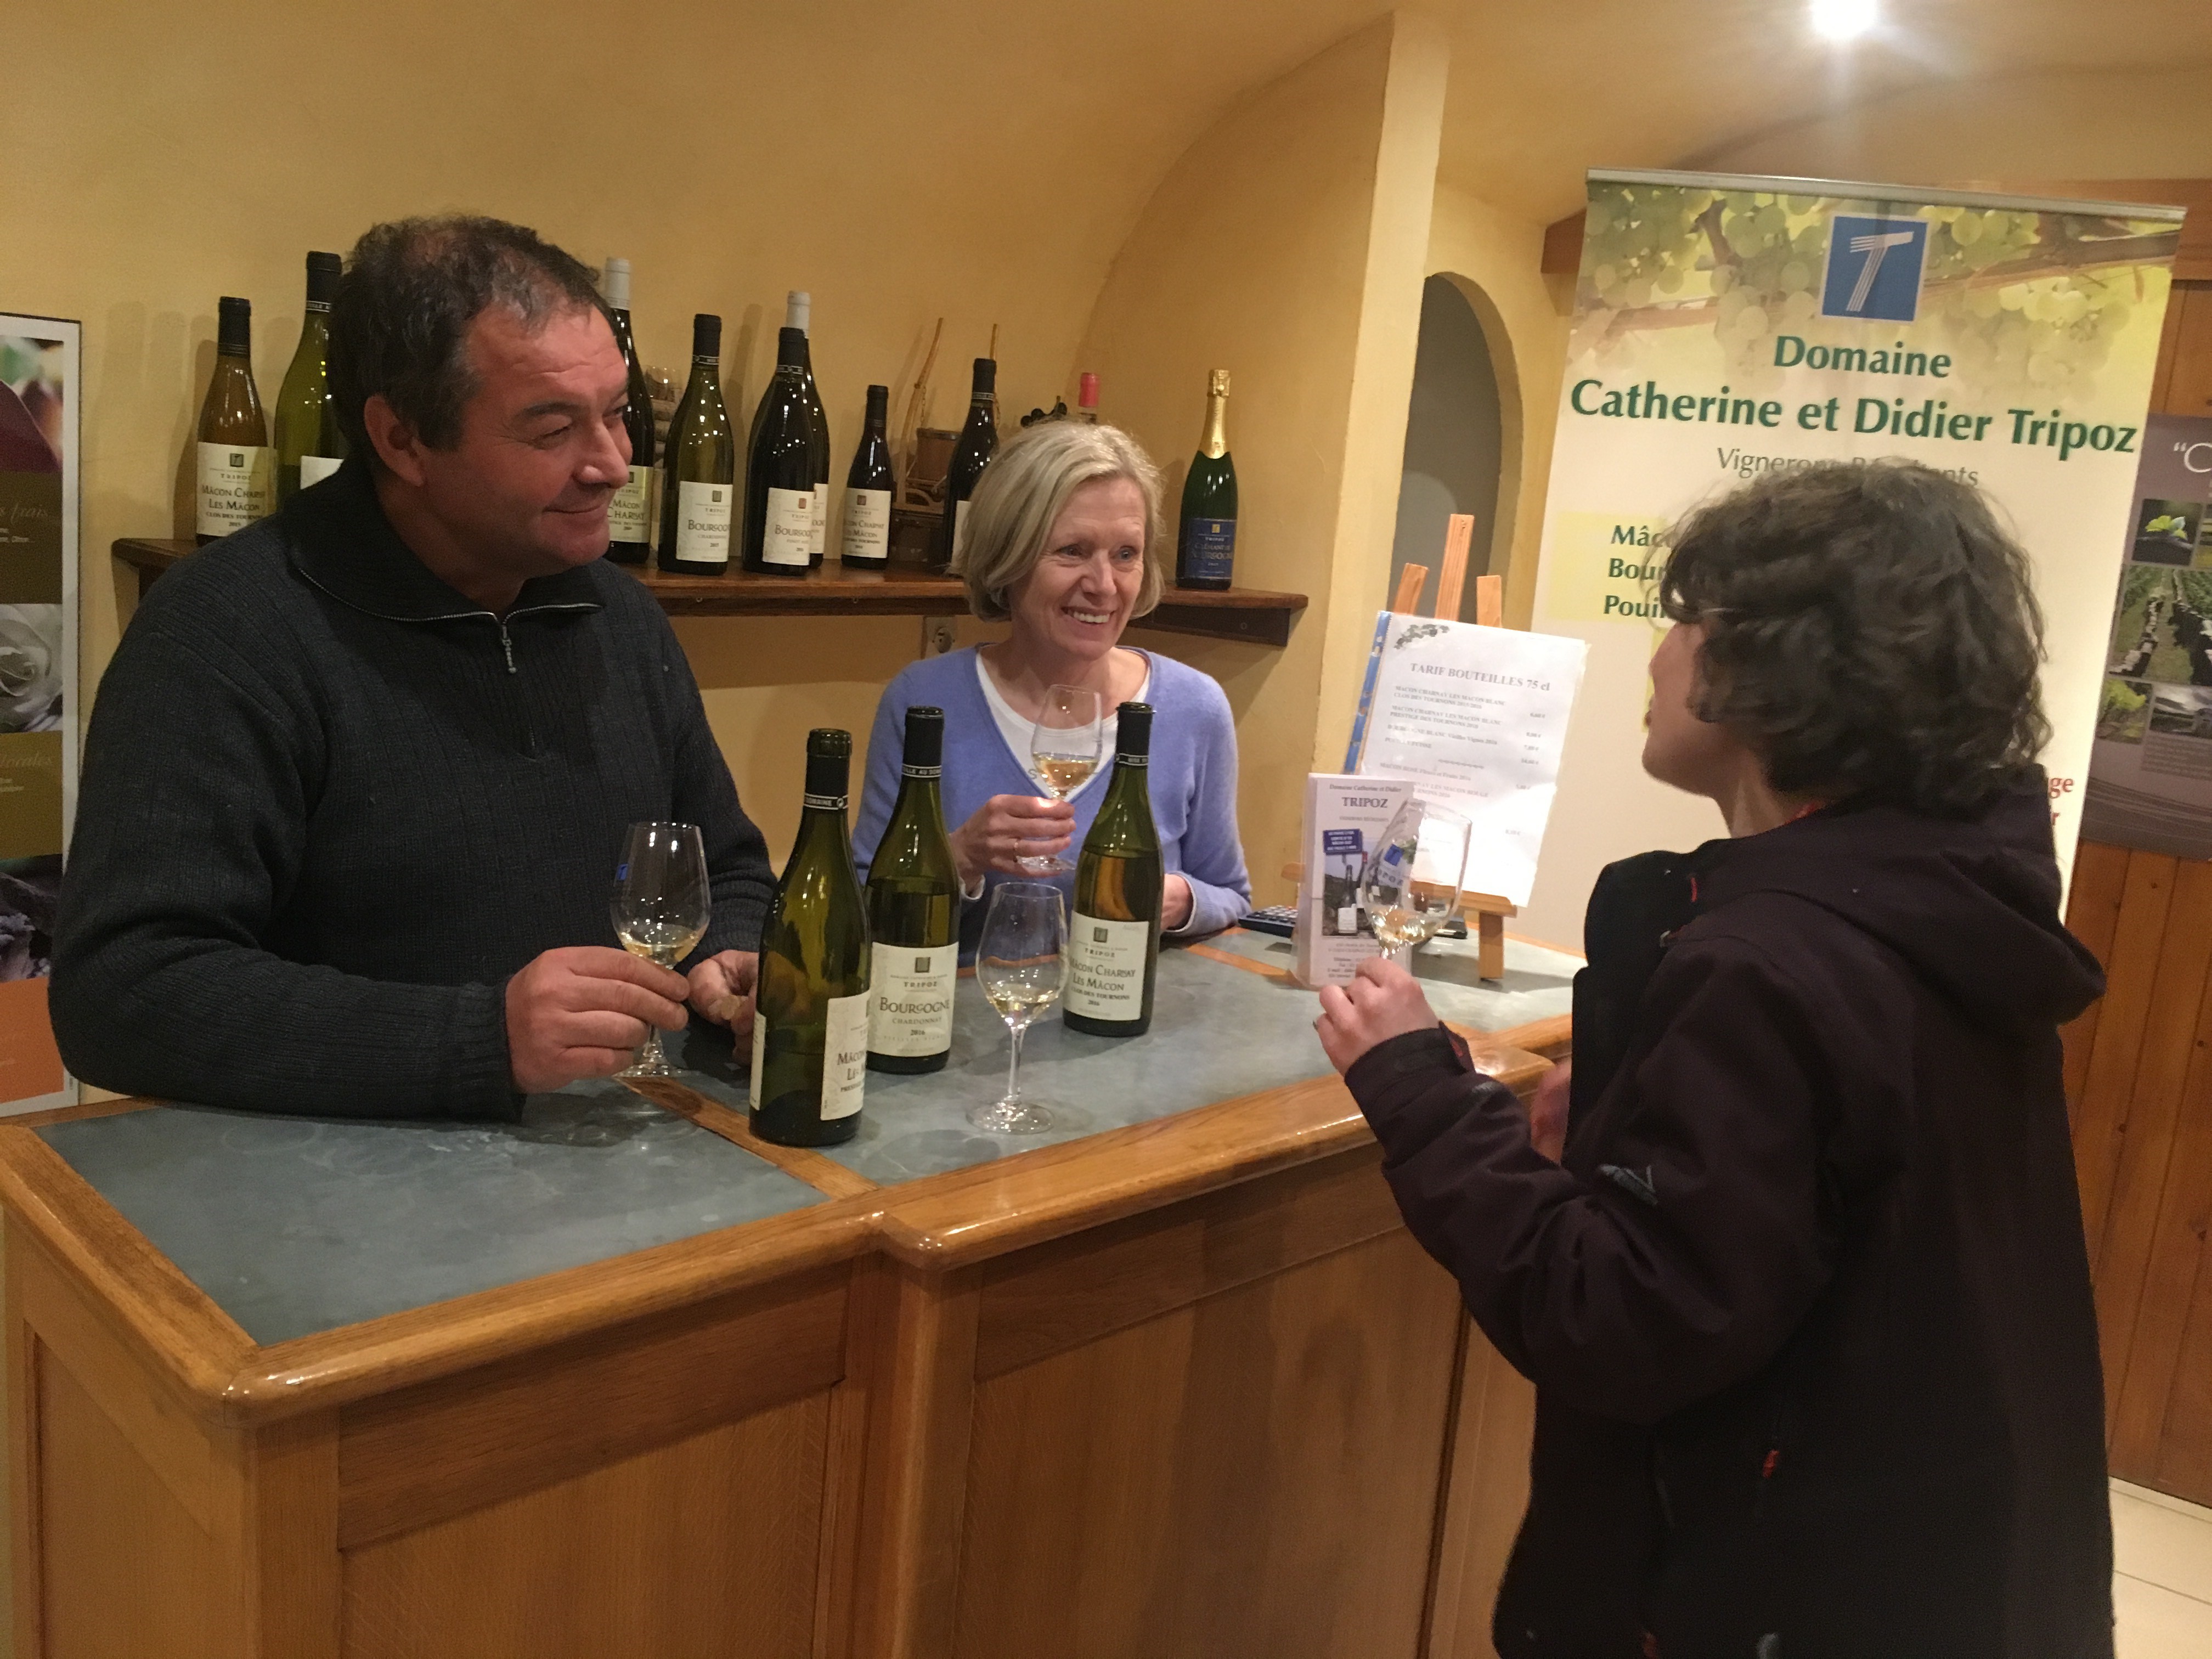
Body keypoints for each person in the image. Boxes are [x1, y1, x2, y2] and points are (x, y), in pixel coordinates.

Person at [1317, 461, 2113, 1657]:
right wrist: (1628, 1120)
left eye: (1685, 619)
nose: (1656, 658)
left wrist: (1419, 1089)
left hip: (1762, 1592)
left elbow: (1623, 1322)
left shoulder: (1765, 962)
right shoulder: (1949, 909)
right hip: (1952, 1569)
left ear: (1775, 663)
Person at [52, 216, 772, 1120]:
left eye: (618, 413)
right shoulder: (227, 631)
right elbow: (122, 991)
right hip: (332, 1188)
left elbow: (729, 867)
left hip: (613, 1156)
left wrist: (731, 955)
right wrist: (479, 1039)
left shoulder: (621, 618)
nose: (613, 464)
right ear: (401, 439)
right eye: (553, 428)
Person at [853, 420, 1249, 953]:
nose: (1104, 586)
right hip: (965, 1004)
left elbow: (1230, 894)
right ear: (1007, 557)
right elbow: (861, 908)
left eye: (1125, 554)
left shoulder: (1194, 707)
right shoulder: (924, 701)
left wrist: (1183, 899)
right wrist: (958, 857)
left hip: (1127, 1007)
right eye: (1072, 550)